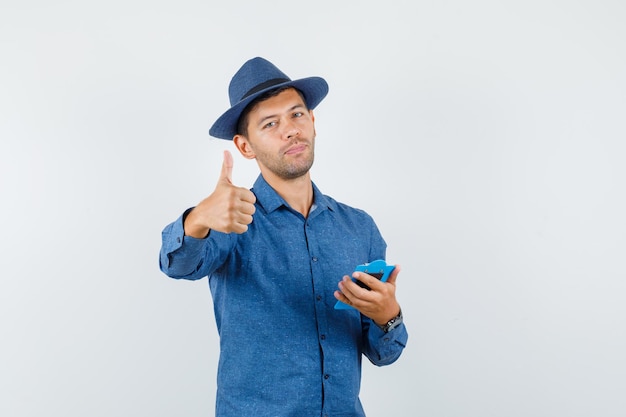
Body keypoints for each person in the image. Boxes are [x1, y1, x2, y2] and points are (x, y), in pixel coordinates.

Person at [159, 57, 408, 417]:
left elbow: (385, 353)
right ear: (245, 146)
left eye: (296, 115)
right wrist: (198, 218)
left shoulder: (359, 228)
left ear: (313, 123)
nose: (290, 130)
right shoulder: (231, 220)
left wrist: (389, 315)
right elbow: (177, 264)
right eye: (270, 123)